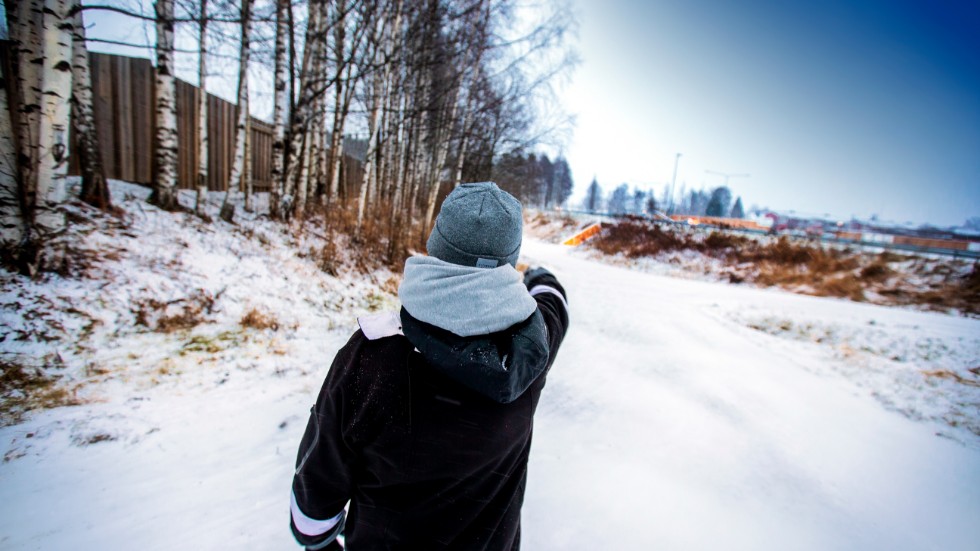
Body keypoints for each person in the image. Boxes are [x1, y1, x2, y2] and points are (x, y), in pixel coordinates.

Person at [289, 182, 570, 550]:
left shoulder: (370, 357)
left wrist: (323, 545)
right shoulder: (532, 350)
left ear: (436, 245)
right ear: (509, 263)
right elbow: (554, 299)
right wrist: (535, 275)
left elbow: (314, 501)